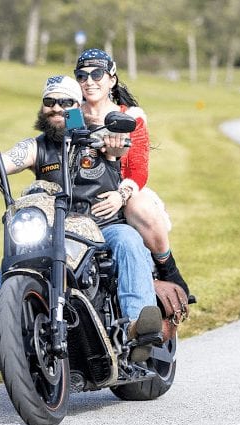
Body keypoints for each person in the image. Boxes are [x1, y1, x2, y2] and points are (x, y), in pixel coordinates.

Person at [0, 75, 162, 361]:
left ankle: (139, 327)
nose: (56, 108)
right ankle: (5, 322)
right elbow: (9, 160)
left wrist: (117, 139)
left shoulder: (99, 137)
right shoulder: (37, 146)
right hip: (55, 230)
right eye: (50, 102)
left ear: (78, 106)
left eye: (65, 102)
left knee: (128, 240)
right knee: (15, 244)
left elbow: (119, 148)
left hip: (102, 227)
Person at [73, 49, 191, 306]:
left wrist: (120, 195)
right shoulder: (71, 115)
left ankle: (168, 269)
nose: (89, 81)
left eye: (97, 74)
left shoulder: (131, 116)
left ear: (112, 78)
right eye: (82, 75)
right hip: (83, 195)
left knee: (138, 205)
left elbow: (138, 169)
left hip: (123, 190)